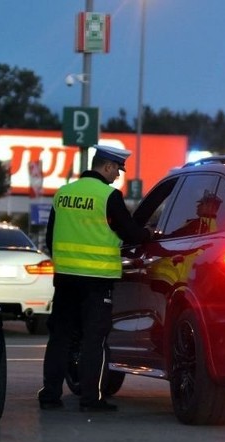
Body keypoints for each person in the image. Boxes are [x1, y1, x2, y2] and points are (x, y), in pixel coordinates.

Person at [38, 145, 151, 412]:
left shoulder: (63, 193)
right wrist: (149, 235)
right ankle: (91, 399)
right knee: (93, 339)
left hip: (65, 278)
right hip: (97, 279)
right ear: (108, 167)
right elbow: (131, 233)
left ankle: (49, 396)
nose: (118, 177)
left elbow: (50, 237)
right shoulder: (108, 196)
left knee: (60, 338)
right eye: (117, 171)